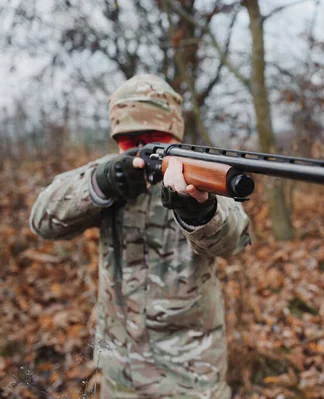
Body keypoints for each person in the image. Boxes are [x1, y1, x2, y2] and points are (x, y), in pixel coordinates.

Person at [29, 74, 251, 398]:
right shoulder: (106, 172)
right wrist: (102, 184)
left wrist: (198, 209)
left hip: (191, 375)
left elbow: (236, 237)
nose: (142, 149)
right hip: (120, 373)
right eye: (131, 141)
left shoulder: (197, 176)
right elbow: (42, 219)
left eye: (153, 138)